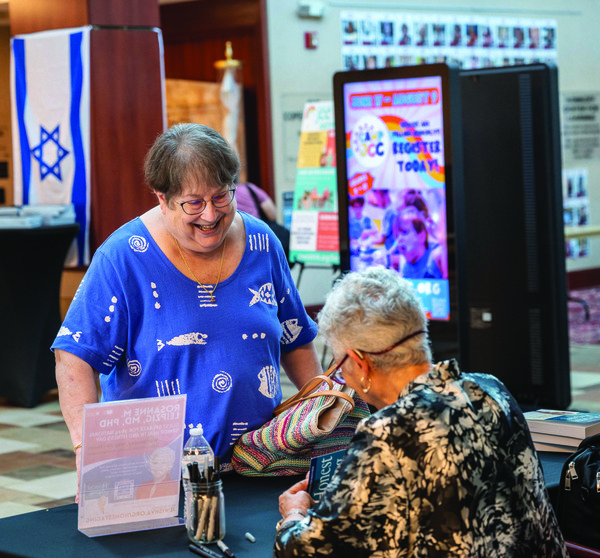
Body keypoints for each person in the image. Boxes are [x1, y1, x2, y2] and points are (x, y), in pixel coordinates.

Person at [52, 123, 322, 497]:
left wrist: (320, 420)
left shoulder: (263, 243)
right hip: (155, 478)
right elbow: (74, 357)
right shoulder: (124, 257)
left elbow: (296, 338)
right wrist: (87, 451)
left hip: (260, 464)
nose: (210, 216)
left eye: (221, 197)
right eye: (193, 203)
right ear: (162, 199)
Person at [275, 267, 567, 557]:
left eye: (339, 366)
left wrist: (294, 513)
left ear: (361, 364)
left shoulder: (387, 434)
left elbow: (304, 551)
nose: (343, 378)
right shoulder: (492, 390)